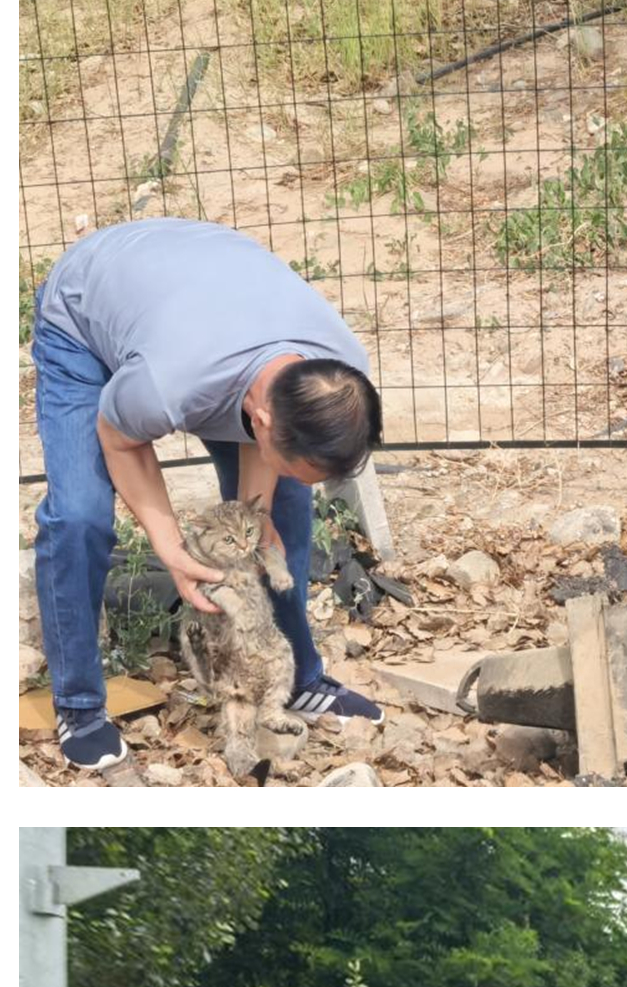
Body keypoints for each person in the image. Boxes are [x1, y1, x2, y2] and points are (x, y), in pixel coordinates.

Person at [28, 219, 387, 770]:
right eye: (290, 458)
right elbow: (120, 440)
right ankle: (78, 707)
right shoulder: (172, 382)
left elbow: (263, 448)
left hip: (193, 292)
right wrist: (173, 549)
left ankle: (299, 678)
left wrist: (256, 511)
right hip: (84, 310)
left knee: (281, 512)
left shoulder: (339, 379)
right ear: (262, 421)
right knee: (78, 519)